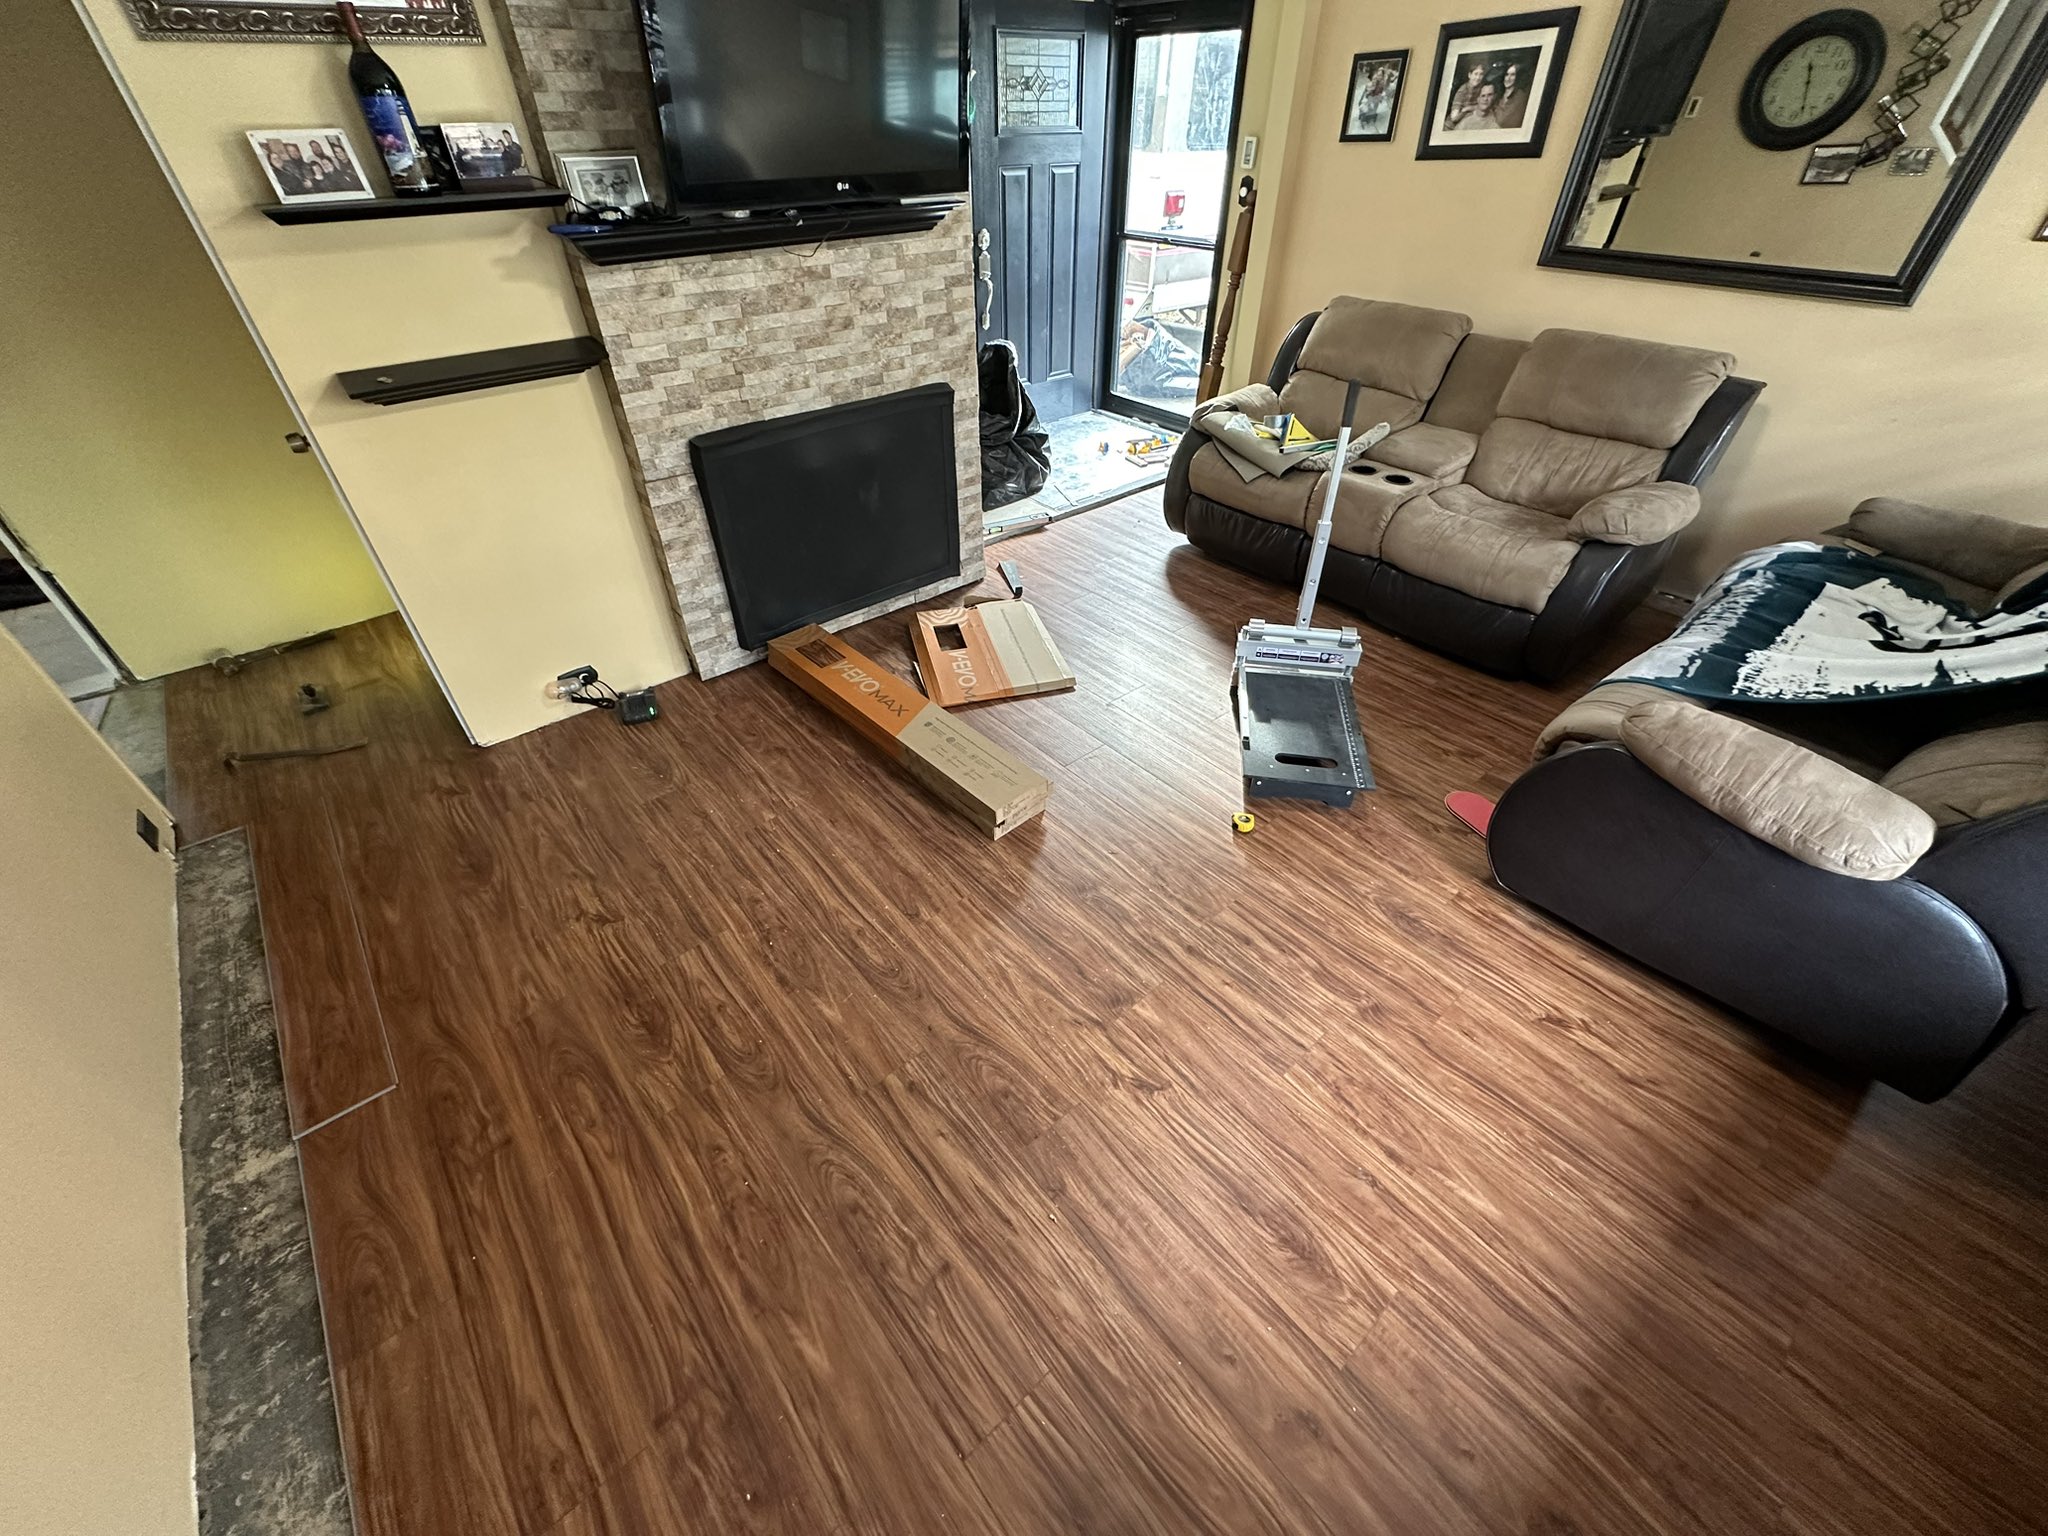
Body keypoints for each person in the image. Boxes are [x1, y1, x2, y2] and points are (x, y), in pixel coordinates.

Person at [1446, 58, 1488, 128]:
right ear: (1469, 75)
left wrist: (1469, 108)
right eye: (1475, 74)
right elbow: (1454, 118)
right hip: (1452, 127)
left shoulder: (1483, 88)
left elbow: (1487, 107)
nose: (1478, 77)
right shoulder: (1462, 90)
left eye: (1481, 74)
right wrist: (1465, 111)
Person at [1493, 61, 1529, 130]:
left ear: (1518, 77)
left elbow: (1502, 121)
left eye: (1512, 75)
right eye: (1506, 74)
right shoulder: (1499, 93)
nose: (1508, 78)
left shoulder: (1520, 96)